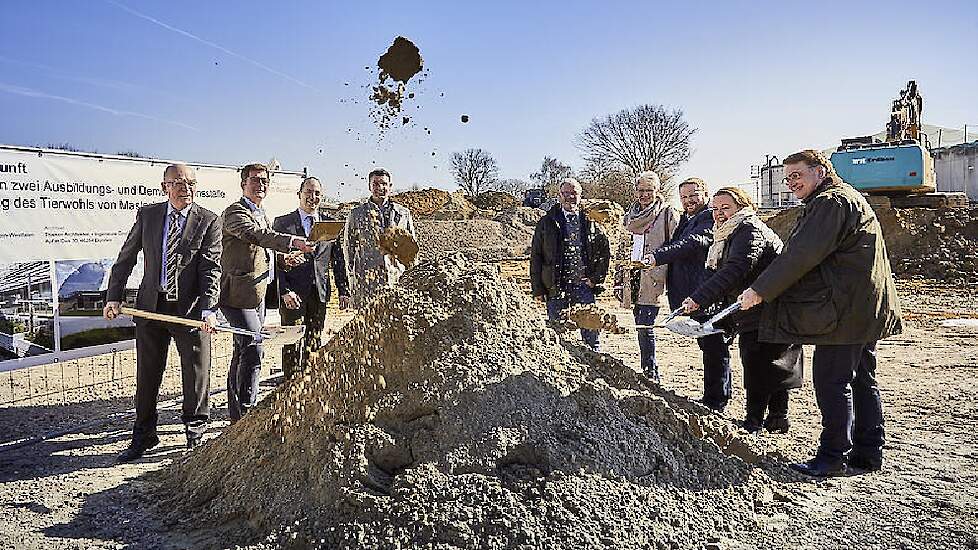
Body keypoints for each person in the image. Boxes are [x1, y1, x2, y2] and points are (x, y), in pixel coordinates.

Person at [738, 149, 903, 477]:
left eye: (797, 175)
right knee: (861, 379)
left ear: (820, 172)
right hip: (863, 307)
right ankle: (868, 454)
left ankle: (831, 456)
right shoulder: (844, 199)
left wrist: (760, 290)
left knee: (831, 381)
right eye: (787, 179)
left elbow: (801, 256)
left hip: (844, 311)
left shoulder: (831, 203)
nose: (791, 183)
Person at [104, 164, 221, 461]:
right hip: (150, 309)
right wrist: (114, 296)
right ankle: (143, 435)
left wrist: (208, 309)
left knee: (196, 374)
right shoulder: (149, 216)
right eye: (178, 182)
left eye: (190, 182)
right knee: (147, 375)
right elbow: (125, 258)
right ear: (164, 186)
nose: (185, 187)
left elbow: (211, 268)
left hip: (190, 311)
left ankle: (194, 433)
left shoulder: (208, 220)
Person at [681, 187, 803, 433]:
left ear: (742, 206)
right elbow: (714, 272)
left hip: (767, 306)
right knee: (770, 363)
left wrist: (699, 298)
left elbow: (736, 269)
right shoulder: (726, 234)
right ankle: (777, 418)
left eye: (726, 208)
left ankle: (755, 420)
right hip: (754, 307)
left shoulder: (749, 230)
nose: (719, 214)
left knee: (760, 362)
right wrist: (696, 299)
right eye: (715, 209)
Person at [219, 163, 313, 422]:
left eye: (265, 181)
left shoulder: (260, 212)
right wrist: (292, 241)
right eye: (255, 180)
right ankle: (246, 412)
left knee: (243, 349)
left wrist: (283, 260)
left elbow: (261, 251)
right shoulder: (234, 213)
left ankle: (237, 414)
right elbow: (256, 236)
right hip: (237, 294)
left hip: (257, 292)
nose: (261, 185)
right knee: (252, 346)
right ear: (243, 184)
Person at [647, 177, 732, 410]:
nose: (689, 201)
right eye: (684, 197)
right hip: (691, 294)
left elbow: (691, 243)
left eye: (694, 195)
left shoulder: (708, 219)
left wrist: (657, 257)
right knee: (709, 345)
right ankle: (720, 393)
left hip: (705, 294)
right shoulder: (686, 218)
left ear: (705, 194)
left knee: (714, 345)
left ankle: (715, 401)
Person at [272, 177, 350, 379]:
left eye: (317, 193)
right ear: (299, 194)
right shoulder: (283, 223)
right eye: (308, 192)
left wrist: (343, 290)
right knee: (291, 340)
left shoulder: (330, 225)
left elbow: (337, 260)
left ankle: (310, 381)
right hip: (293, 293)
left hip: (320, 292)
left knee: (314, 340)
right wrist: (284, 291)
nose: (312, 197)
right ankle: (290, 384)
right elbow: (276, 260)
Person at [530, 178, 611, 351]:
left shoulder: (590, 222)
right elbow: (536, 256)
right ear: (559, 196)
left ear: (580, 196)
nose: (570, 197)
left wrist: (595, 279)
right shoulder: (547, 223)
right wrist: (538, 289)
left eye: (574, 193)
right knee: (557, 336)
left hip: (583, 287)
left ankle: (593, 369)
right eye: (566, 193)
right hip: (556, 286)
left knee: (591, 334)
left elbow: (605, 252)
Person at [621, 172, 678, 381]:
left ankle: (651, 372)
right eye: (641, 190)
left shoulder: (667, 214)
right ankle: (647, 368)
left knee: (646, 324)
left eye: (649, 190)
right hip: (633, 276)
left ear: (657, 191)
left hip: (654, 277)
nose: (644, 194)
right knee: (639, 323)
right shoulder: (630, 217)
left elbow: (676, 245)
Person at [342, 168, 416, 309]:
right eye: (375, 184)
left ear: (390, 186)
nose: (380, 188)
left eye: (384, 184)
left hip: (396, 278)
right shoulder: (357, 214)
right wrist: (351, 277)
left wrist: (410, 274)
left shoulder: (403, 214)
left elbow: (411, 249)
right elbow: (348, 248)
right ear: (369, 186)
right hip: (367, 280)